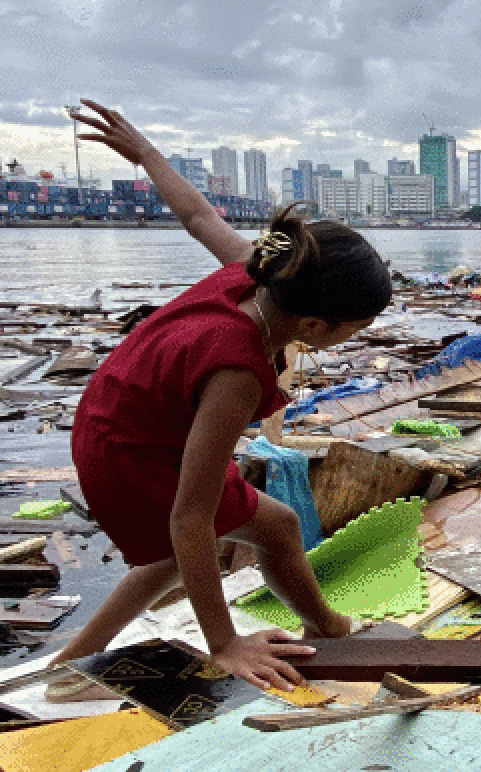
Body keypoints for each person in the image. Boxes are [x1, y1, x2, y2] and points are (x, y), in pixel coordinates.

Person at [49, 100, 391, 693]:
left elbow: (198, 214)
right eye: (351, 332)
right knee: (221, 532)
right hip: (131, 450)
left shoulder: (253, 272)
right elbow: (191, 515)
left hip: (113, 415)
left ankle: (73, 661)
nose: (348, 342)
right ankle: (329, 628)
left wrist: (148, 154)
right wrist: (226, 643)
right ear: (313, 326)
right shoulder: (238, 369)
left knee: (255, 531)